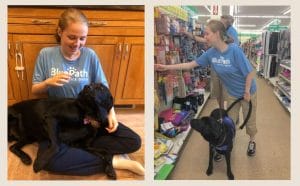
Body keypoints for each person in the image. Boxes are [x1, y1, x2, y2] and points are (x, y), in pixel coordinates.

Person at [31, 8, 144, 177]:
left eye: (82, 38)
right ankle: (112, 161)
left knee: (133, 141)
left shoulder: (90, 55)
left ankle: (81, 150)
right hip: (60, 120)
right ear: (60, 32)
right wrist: (48, 82)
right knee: (49, 161)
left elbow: (104, 89)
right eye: (72, 37)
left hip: (89, 118)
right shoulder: (46, 54)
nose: (77, 43)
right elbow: (34, 90)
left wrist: (111, 112)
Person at [155, 19, 257, 157]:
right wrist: (166, 67)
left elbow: (250, 72)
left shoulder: (234, 51)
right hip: (232, 92)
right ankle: (224, 144)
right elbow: (190, 65)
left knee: (249, 120)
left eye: (207, 33)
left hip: (248, 91)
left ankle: (252, 140)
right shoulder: (211, 53)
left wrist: (246, 91)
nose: (205, 37)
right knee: (229, 121)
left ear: (217, 34)